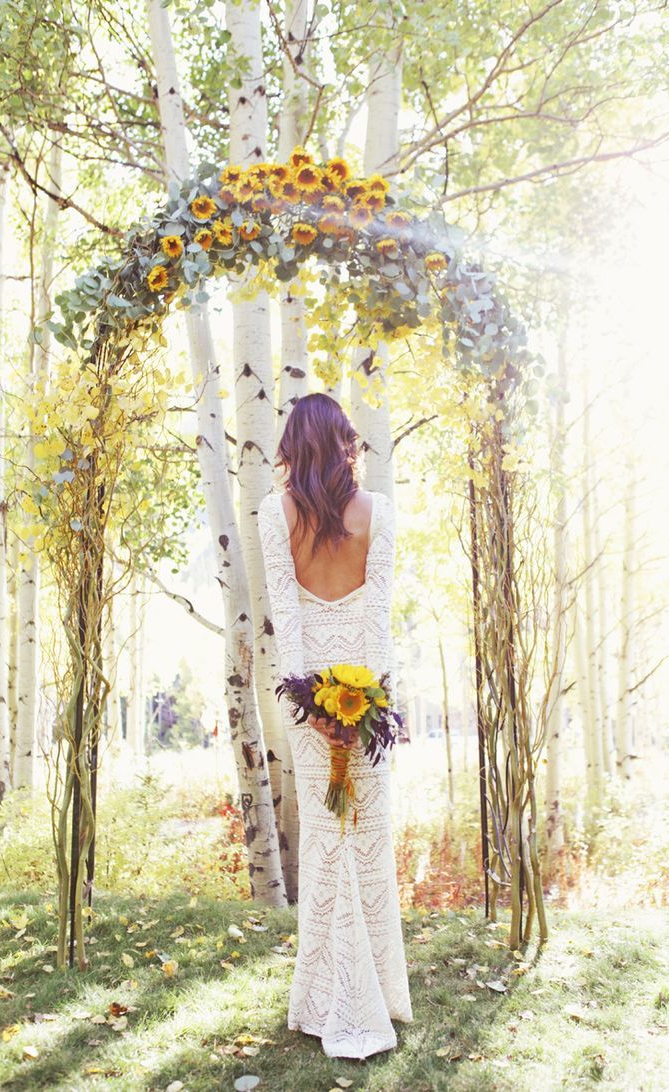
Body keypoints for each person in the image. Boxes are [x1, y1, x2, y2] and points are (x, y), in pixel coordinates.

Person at [257, 391, 413, 1059]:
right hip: (365, 709)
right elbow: (376, 625)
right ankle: (373, 992)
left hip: (312, 707)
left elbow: (288, 630)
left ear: (295, 447)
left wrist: (312, 708)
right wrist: (369, 709)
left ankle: (328, 1001)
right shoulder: (377, 512)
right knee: (365, 842)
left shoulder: (275, 514)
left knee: (327, 842)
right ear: (345, 441)